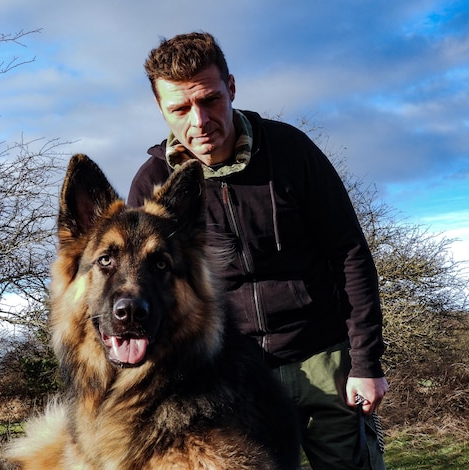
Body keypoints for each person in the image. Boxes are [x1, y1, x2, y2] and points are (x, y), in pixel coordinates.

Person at [128, 32, 388, 470]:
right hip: (229, 375)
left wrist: (365, 362)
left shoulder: (290, 149)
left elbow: (350, 253)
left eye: (209, 100)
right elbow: (147, 292)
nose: (200, 120)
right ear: (161, 109)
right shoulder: (150, 183)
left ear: (231, 87)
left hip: (324, 356)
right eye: (179, 108)